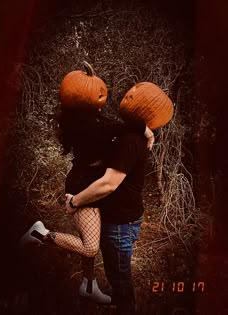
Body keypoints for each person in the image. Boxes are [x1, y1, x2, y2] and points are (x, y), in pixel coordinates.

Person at [20, 106, 154, 306]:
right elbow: (117, 128)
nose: (101, 103)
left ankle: (89, 285)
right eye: (97, 99)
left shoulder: (90, 120)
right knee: (90, 247)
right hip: (82, 185)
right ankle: (40, 234)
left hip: (91, 181)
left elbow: (115, 127)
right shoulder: (90, 126)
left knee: (89, 233)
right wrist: (145, 129)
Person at [63, 124, 149, 314]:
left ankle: (125, 306)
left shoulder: (129, 141)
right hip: (125, 218)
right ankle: (94, 287)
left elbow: (108, 184)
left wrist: (75, 202)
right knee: (118, 272)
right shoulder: (131, 136)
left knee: (119, 275)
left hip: (120, 224)